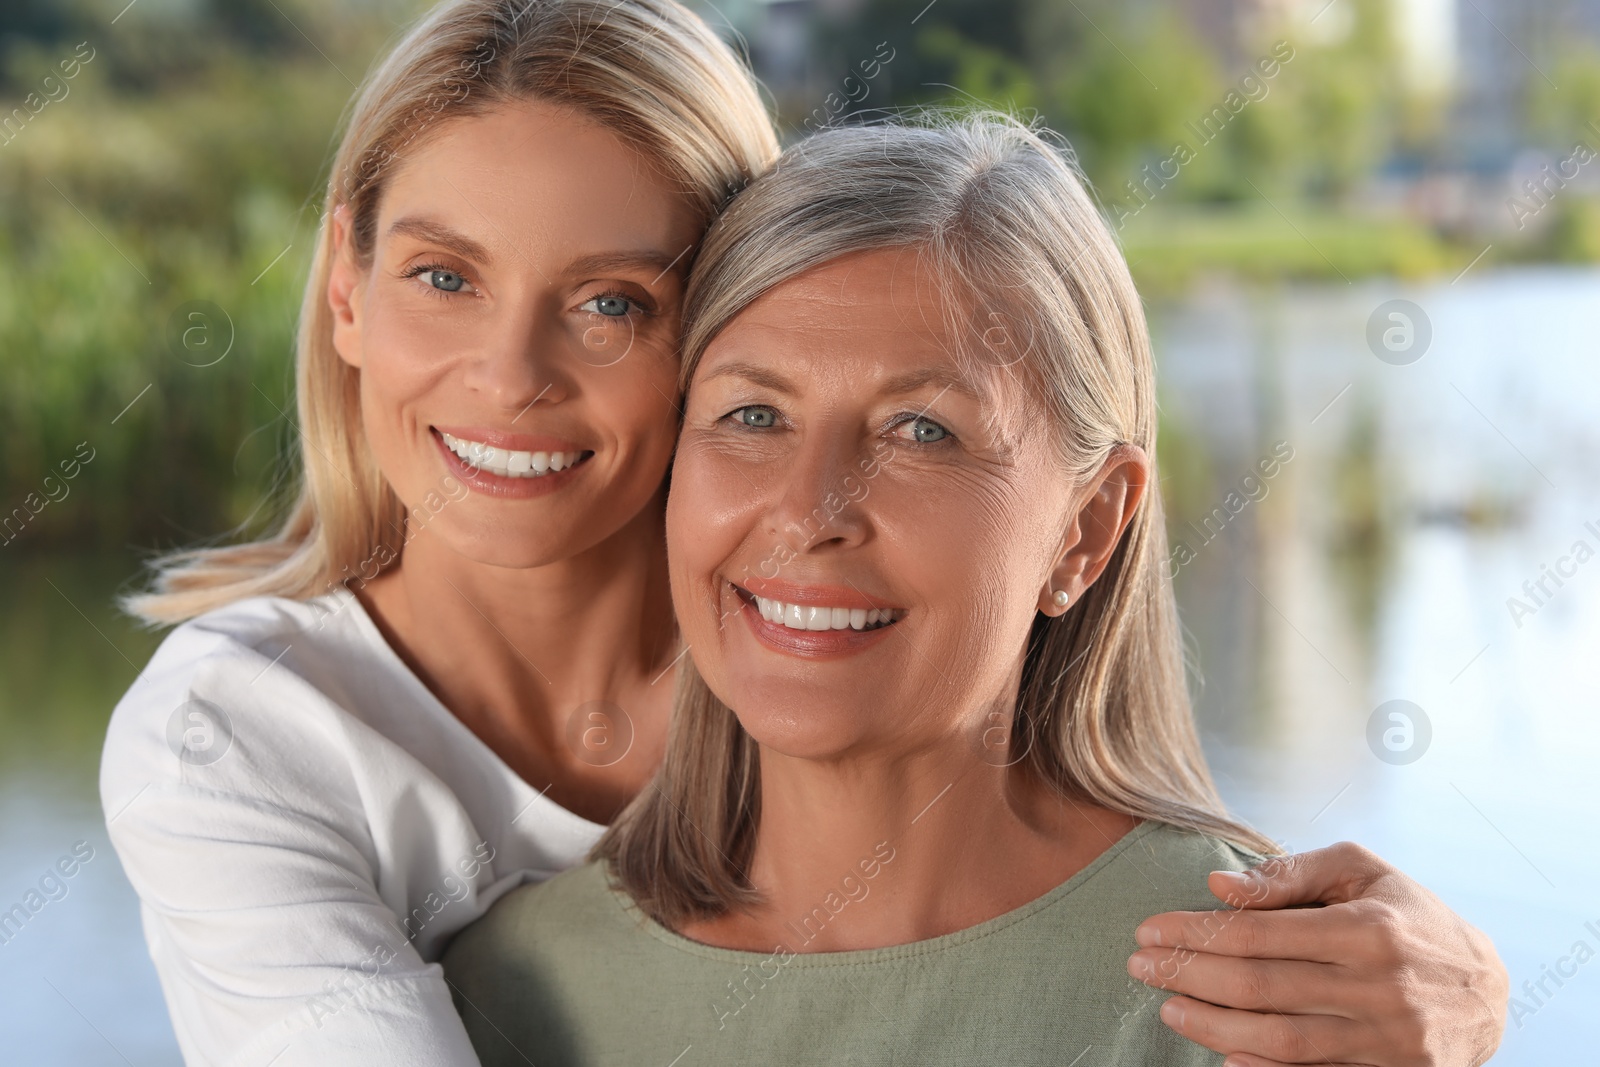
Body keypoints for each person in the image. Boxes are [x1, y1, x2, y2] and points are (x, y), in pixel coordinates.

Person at [99, 1, 1507, 1065]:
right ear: (343, 282)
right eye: (442, 274)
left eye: (613, 303)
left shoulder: (1191, 947)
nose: (513, 373)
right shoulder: (248, 743)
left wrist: (1472, 992)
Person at [439, 113, 1496, 1067]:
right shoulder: (495, 993)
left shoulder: (1270, 999)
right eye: (753, 415)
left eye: (921, 430)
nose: (811, 509)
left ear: (1085, 529)